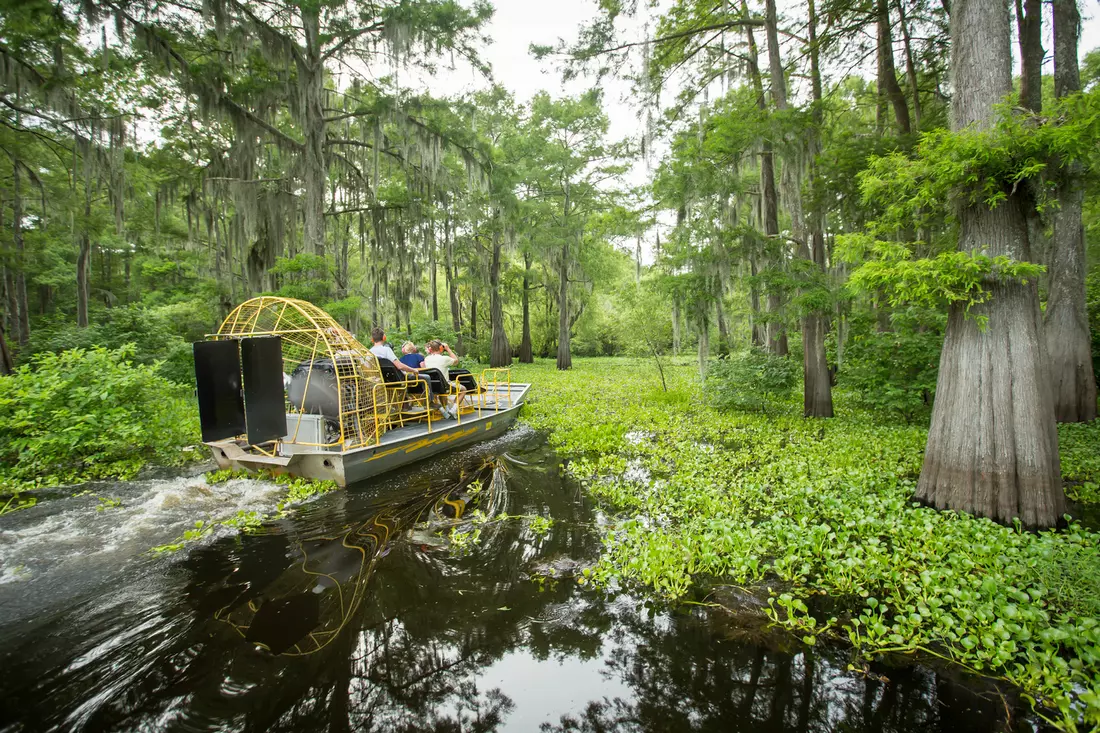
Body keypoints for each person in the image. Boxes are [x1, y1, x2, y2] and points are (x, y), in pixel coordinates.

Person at [423, 339, 465, 418]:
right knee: (463, 389)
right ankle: (453, 410)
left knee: (442, 391)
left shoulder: (427, 359)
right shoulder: (445, 358)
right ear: (441, 348)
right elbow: (456, 361)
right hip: (445, 385)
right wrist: (448, 349)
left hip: (433, 386)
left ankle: (446, 411)